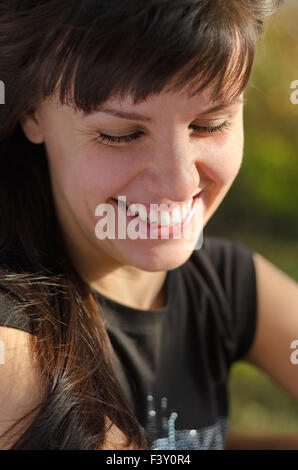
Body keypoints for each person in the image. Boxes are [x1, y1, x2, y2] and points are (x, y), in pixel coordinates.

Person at [0, 0, 297, 451]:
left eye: (210, 124)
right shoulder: (13, 339)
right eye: (121, 134)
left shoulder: (225, 280)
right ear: (32, 113)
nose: (179, 183)